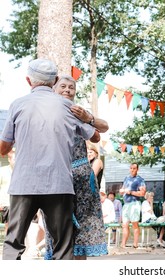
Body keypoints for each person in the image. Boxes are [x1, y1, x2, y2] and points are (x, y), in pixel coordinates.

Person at [0, 58, 100, 260]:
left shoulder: (17, 105)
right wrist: (87, 118)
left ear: (29, 81)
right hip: (59, 185)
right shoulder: (69, 107)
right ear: (54, 80)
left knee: (13, 244)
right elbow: (95, 137)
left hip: (24, 184)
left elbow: (4, 149)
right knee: (63, 247)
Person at [52, 75, 109, 260]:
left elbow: (102, 130)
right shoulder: (48, 110)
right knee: (58, 224)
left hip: (82, 175)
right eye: (63, 86)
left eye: (71, 87)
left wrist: (88, 118)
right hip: (57, 174)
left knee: (82, 227)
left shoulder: (79, 111)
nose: (67, 90)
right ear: (54, 88)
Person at [119, 163, 146, 249]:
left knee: (135, 224)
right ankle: (123, 244)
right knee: (124, 225)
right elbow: (123, 189)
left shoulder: (140, 180)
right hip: (126, 204)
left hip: (134, 203)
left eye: (134, 168)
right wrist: (122, 191)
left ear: (137, 169)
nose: (132, 170)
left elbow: (142, 193)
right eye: (131, 168)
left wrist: (130, 192)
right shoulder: (126, 178)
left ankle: (135, 244)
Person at [0, 148, 15, 235]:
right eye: (14, 159)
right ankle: (8, 245)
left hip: (19, 204)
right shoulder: (2, 171)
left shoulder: (21, 172)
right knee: (8, 227)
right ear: (9, 160)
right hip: (6, 204)